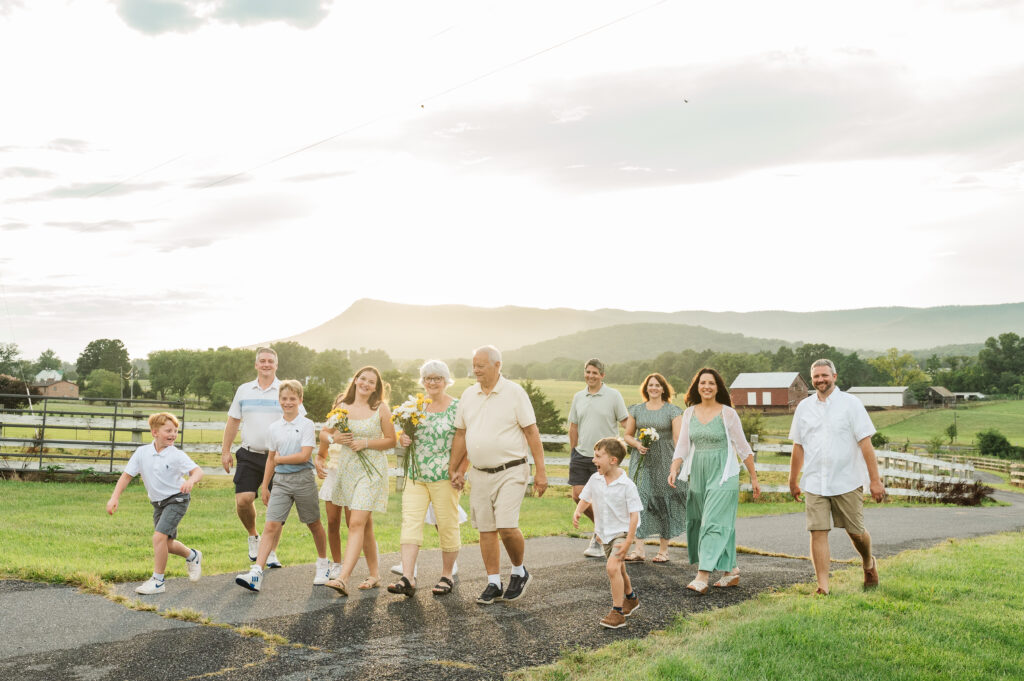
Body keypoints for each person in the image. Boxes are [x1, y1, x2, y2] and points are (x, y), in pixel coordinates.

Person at [449, 345, 548, 605]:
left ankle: (519, 571)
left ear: (497, 365)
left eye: (481, 364)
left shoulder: (514, 393)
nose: (476, 369)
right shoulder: (468, 395)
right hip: (479, 473)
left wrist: (541, 471)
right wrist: (456, 468)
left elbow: (531, 432)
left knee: (506, 525)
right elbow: (461, 434)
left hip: (512, 469)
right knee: (486, 529)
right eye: (474, 364)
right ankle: (493, 582)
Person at [788, 358, 886, 595]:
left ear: (835, 376)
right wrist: (793, 480)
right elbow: (798, 446)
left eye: (824, 375)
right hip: (814, 481)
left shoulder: (851, 404)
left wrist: (874, 480)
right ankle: (823, 587)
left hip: (847, 480)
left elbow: (865, 444)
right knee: (817, 531)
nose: (820, 380)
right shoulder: (804, 407)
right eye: (816, 376)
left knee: (856, 532)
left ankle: (868, 562)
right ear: (812, 380)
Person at [669, 367, 761, 594]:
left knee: (713, 521)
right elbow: (682, 445)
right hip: (698, 472)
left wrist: (754, 477)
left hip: (724, 473)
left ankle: (703, 575)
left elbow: (743, 447)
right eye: (703, 383)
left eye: (711, 383)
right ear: (697, 387)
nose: (707, 387)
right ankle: (730, 571)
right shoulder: (689, 413)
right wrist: (674, 469)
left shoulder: (728, 413)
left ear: (718, 387)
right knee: (702, 520)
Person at [235, 380, 329, 592]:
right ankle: (257, 572)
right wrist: (266, 485)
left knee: (313, 524)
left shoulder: (306, 424)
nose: (288, 403)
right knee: (270, 526)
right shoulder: (274, 428)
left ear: (300, 400)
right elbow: (270, 459)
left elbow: (304, 455)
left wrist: (280, 460)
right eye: (284, 399)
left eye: (292, 399)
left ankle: (323, 564)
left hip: (303, 480)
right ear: (279, 401)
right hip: (281, 483)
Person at [221, 347, 304, 568]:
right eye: (262, 361)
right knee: (244, 500)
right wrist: (225, 451)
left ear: (276, 365)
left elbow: (300, 422)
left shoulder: (285, 391)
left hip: (279, 457)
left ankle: (272, 552)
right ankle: (253, 536)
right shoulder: (244, 390)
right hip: (250, 454)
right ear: (256, 365)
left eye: (270, 361)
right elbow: (233, 421)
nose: (266, 364)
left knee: (276, 507)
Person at [388, 360, 463, 597]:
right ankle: (408, 577)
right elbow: (405, 434)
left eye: (437, 378)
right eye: (428, 378)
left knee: (447, 524)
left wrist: (460, 470)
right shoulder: (416, 407)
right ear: (422, 381)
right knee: (410, 522)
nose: (432, 382)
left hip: (445, 476)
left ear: (445, 381)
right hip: (416, 474)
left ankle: (447, 575)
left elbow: (466, 441)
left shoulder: (457, 407)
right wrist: (403, 438)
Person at [107, 412, 203, 595]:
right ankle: (193, 555)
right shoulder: (142, 453)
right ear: (155, 432)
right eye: (168, 430)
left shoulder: (176, 455)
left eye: (175, 431)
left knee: (158, 538)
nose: (173, 434)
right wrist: (114, 498)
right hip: (158, 503)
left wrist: (191, 481)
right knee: (166, 543)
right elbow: (126, 476)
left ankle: (158, 581)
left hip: (177, 499)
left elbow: (197, 471)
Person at [324, 366, 397, 596]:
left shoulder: (380, 408)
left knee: (355, 522)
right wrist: (335, 437)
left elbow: (391, 441)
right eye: (362, 379)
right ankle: (375, 575)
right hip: (348, 470)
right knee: (365, 524)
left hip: (372, 470)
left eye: (371, 382)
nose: (366, 384)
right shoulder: (342, 406)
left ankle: (343, 578)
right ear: (355, 380)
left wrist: (365, 443)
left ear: (376, 387)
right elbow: (324, 434)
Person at [573, 437, 642, 629]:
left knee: (612, 568)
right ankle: (631, 598)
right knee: (619, 569)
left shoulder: (627, 485)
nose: (593, 460)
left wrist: (629, 541)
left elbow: (634, 515)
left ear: (612, 460)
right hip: (604, 534)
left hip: (622, 532)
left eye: (598, 456)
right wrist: (578, 511)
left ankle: (617, 612)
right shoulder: (595, 479)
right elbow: (585, 497)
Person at [568, 358, 628, 558]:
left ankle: (600, 536)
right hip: (581, 454)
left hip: (605, 457)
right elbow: (573, 426)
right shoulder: (578, 397)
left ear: (602, 375)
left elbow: (626, 422)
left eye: (595, 372)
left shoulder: (613, 396)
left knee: (603, 498)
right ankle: (603, 531)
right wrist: (573, 450)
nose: (590, 376)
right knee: (578, 495)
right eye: (588, 372)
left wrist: (629, 444)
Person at [622, 373, 684, 564]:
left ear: (663, 388)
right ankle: (639, 549)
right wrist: (637, 444)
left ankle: (663, 550)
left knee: (663, 501)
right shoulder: (637, 410)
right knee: (638, 499)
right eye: (651, 385)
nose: (654, 388)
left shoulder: (672, 411)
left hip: (665, 459)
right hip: (641, 462)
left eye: (657, 385)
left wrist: (678, 462)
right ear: (646, 388)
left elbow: (678, 438)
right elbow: (627, 435)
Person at [314, 393, 347, 581]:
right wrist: (319, 460)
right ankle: (336, 564)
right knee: (333, 521)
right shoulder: (332, 426)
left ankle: (354, 565)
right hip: (333, 477)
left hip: (352, 478)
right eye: (339, 404)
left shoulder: (357, 424)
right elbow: (322, 451)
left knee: (355, 524)